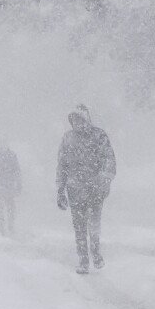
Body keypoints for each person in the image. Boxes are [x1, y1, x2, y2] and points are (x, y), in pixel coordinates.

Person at [55, 104, 115, 274]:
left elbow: (109, 159)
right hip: (74, 190)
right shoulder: (67, 139)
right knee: (79, 226)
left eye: (79, 118)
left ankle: (95, 253)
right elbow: (62, 165)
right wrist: (60, 189)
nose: (76, 122)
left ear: (86, 119)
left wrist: (104, 180)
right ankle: (83, 259)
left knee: (94, 223)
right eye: (73, 119)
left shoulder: (99, 136)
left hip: (95, 189)